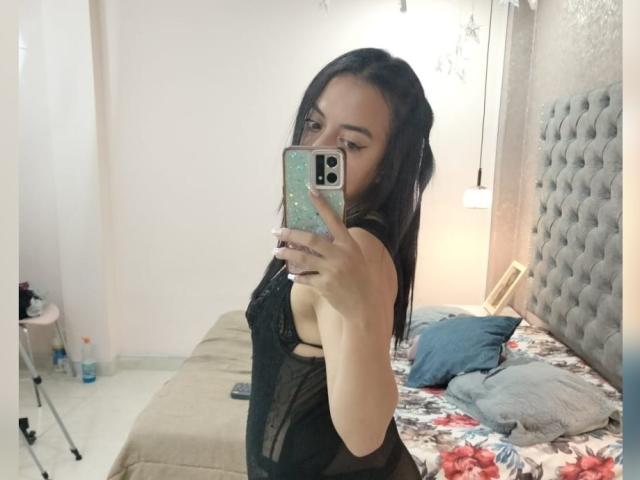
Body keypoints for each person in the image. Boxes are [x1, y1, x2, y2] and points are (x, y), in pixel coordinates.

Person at [244, 47, 435, 479]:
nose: (317, 147)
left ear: (387, 165)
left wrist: (361, 309)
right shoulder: (334, 237)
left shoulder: (357, 250)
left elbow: (364, 434)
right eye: (314, 124)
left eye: (350, 144)